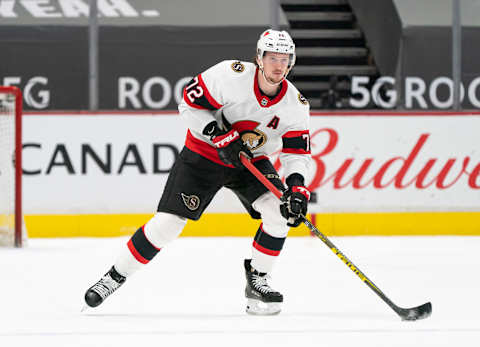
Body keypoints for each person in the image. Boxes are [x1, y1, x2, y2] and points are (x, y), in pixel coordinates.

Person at [84, 29, 312, 315]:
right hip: (204, 154)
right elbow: (188, 105)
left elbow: (296, 153)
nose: (278, 65)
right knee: (168, 225)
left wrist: (297, 187)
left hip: (250, 161)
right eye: (272, 57)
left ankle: (258, 281)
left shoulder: (296, 104)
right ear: (259, 58)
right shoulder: (230, 75)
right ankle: (114, 276)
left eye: (285, 59)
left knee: (279, 212)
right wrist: (219, 135)